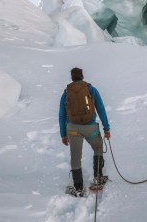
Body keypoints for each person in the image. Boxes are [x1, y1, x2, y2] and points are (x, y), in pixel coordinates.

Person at [59, 67, 111, 197]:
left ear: (72, 77)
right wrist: (106, 128)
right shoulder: (91, 90)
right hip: (90, 128)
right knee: (98, 148)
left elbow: (61, 115)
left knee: (75, 157)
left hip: (72, 130)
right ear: (82, 76)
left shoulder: (66, 93)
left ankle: (78, 188)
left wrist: (63, 134)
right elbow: (101, 109)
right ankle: (98, 178)